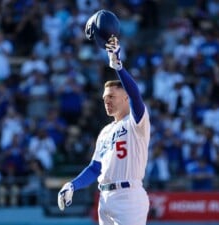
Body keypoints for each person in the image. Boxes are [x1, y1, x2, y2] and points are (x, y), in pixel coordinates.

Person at [57, 36, 151, 225]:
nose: (106, 101)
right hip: (105, 198)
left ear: (125, 98)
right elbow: (94, 168)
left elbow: (135, 95)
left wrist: (118, 66)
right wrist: (72, 185)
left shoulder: (136, 123)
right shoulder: (106, 131)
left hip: (128, 197)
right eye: (104, 98)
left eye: (111, 96)